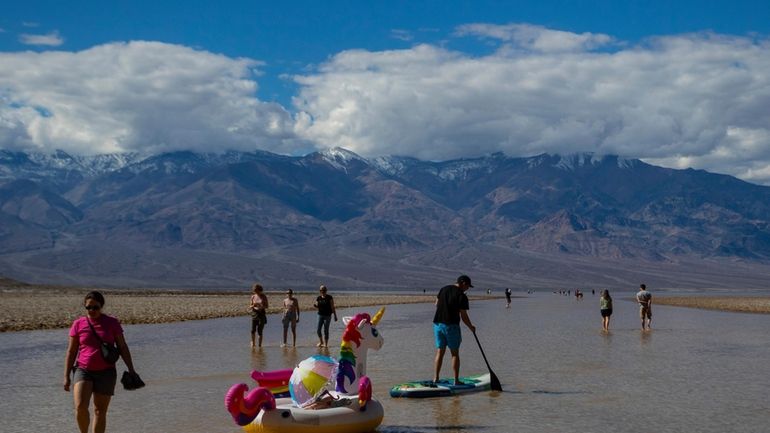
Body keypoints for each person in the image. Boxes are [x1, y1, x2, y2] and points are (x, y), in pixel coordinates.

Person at [63, 291, 138, 433]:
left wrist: (131, 369)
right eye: (88, 308)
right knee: (80, 407)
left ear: (101, 306)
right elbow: (71, 351)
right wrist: (66, 376)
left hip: (106, 372)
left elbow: (122, 346)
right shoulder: (78, 324)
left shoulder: (111, 323)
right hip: (83, 370)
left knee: (99, 411)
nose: (91, 311)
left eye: (95, 307)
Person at [432, 275, 476, 385]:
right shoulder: (461, 296)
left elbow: (436, 303)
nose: (467, 289)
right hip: (451, 326)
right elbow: (464, 316)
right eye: (467, 286)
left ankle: (436, 378)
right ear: (463, 283)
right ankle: (456, 381)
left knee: (440, 351)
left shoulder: (443, 289)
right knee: (455, 354)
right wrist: (471, 327)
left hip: (438, 324)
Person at [249, 283, 269, 348]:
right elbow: (250, 305)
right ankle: (253, 343)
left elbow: (267, 306)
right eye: (254, 290)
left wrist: (261, 306)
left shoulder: (263, 296)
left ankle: (260, 345)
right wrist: (253, 306)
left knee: (260, 330)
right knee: (252, 330)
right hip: (254, 313)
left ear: (260, 290)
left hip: (261, 314)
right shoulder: (253, 297)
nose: (255, 291)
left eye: (257, 290)